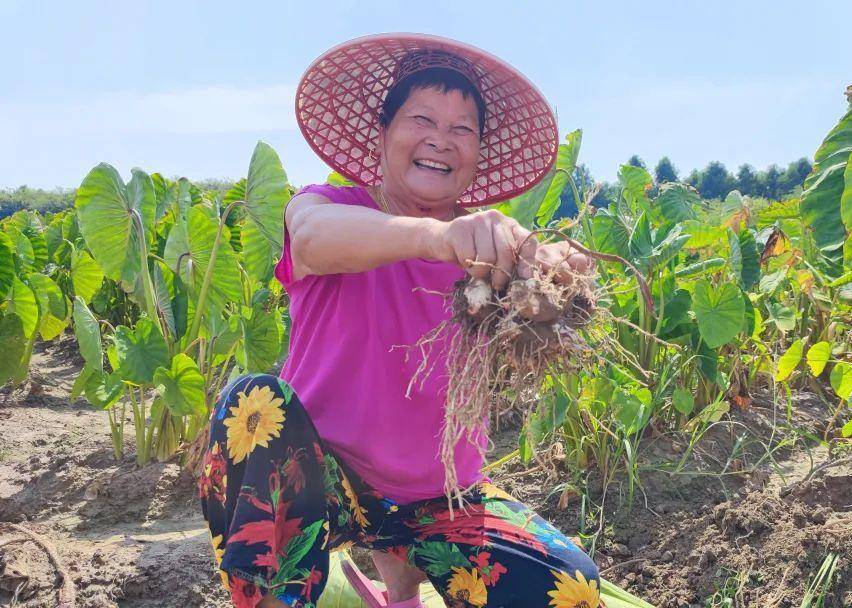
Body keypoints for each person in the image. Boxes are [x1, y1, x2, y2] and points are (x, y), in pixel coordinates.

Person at [199, 33, 604, 608]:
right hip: (325, 482)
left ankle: (402, 592)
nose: (441, 140)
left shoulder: (492, 250)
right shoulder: (327, 208)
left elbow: (551, 276)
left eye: (463, 129)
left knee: (572, 590)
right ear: (384, 133)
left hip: (443, 499)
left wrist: (558, 275)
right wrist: (437, 238)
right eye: (422, 119)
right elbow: (312, 238)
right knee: (254, 402)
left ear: (478, 152)